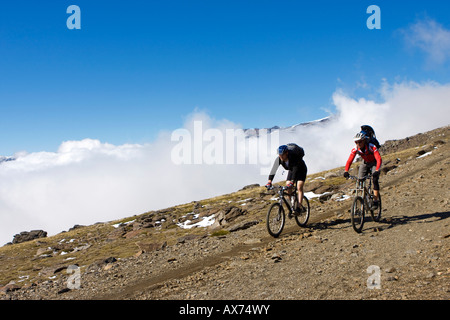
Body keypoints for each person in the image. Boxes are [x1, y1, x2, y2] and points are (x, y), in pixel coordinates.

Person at [266, 143, 307, 215]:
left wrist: (292, 182)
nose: (280, 156)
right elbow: (273, 170)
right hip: (292, 170)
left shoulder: (293, 157)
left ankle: (299, 208)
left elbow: (295, 169)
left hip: (301, 169)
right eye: (279, 154)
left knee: (299, 186)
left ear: (286, 153)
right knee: (288, 187)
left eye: (282, 154)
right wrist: (269, 181)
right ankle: (291, 207)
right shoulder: (279, 159)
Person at [344, 132, 382, 209]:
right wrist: (346, 171)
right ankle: (362, 199)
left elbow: (379, 159)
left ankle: (375, 201)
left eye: (360, 141)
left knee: (374, 180)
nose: (358, 143)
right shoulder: (355, 148)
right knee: (360, 179)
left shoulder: (372, 146)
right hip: (365, 162)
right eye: (356, 142)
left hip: (374, 162)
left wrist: (377, 170)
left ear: (364, 140)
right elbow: (349, 161)